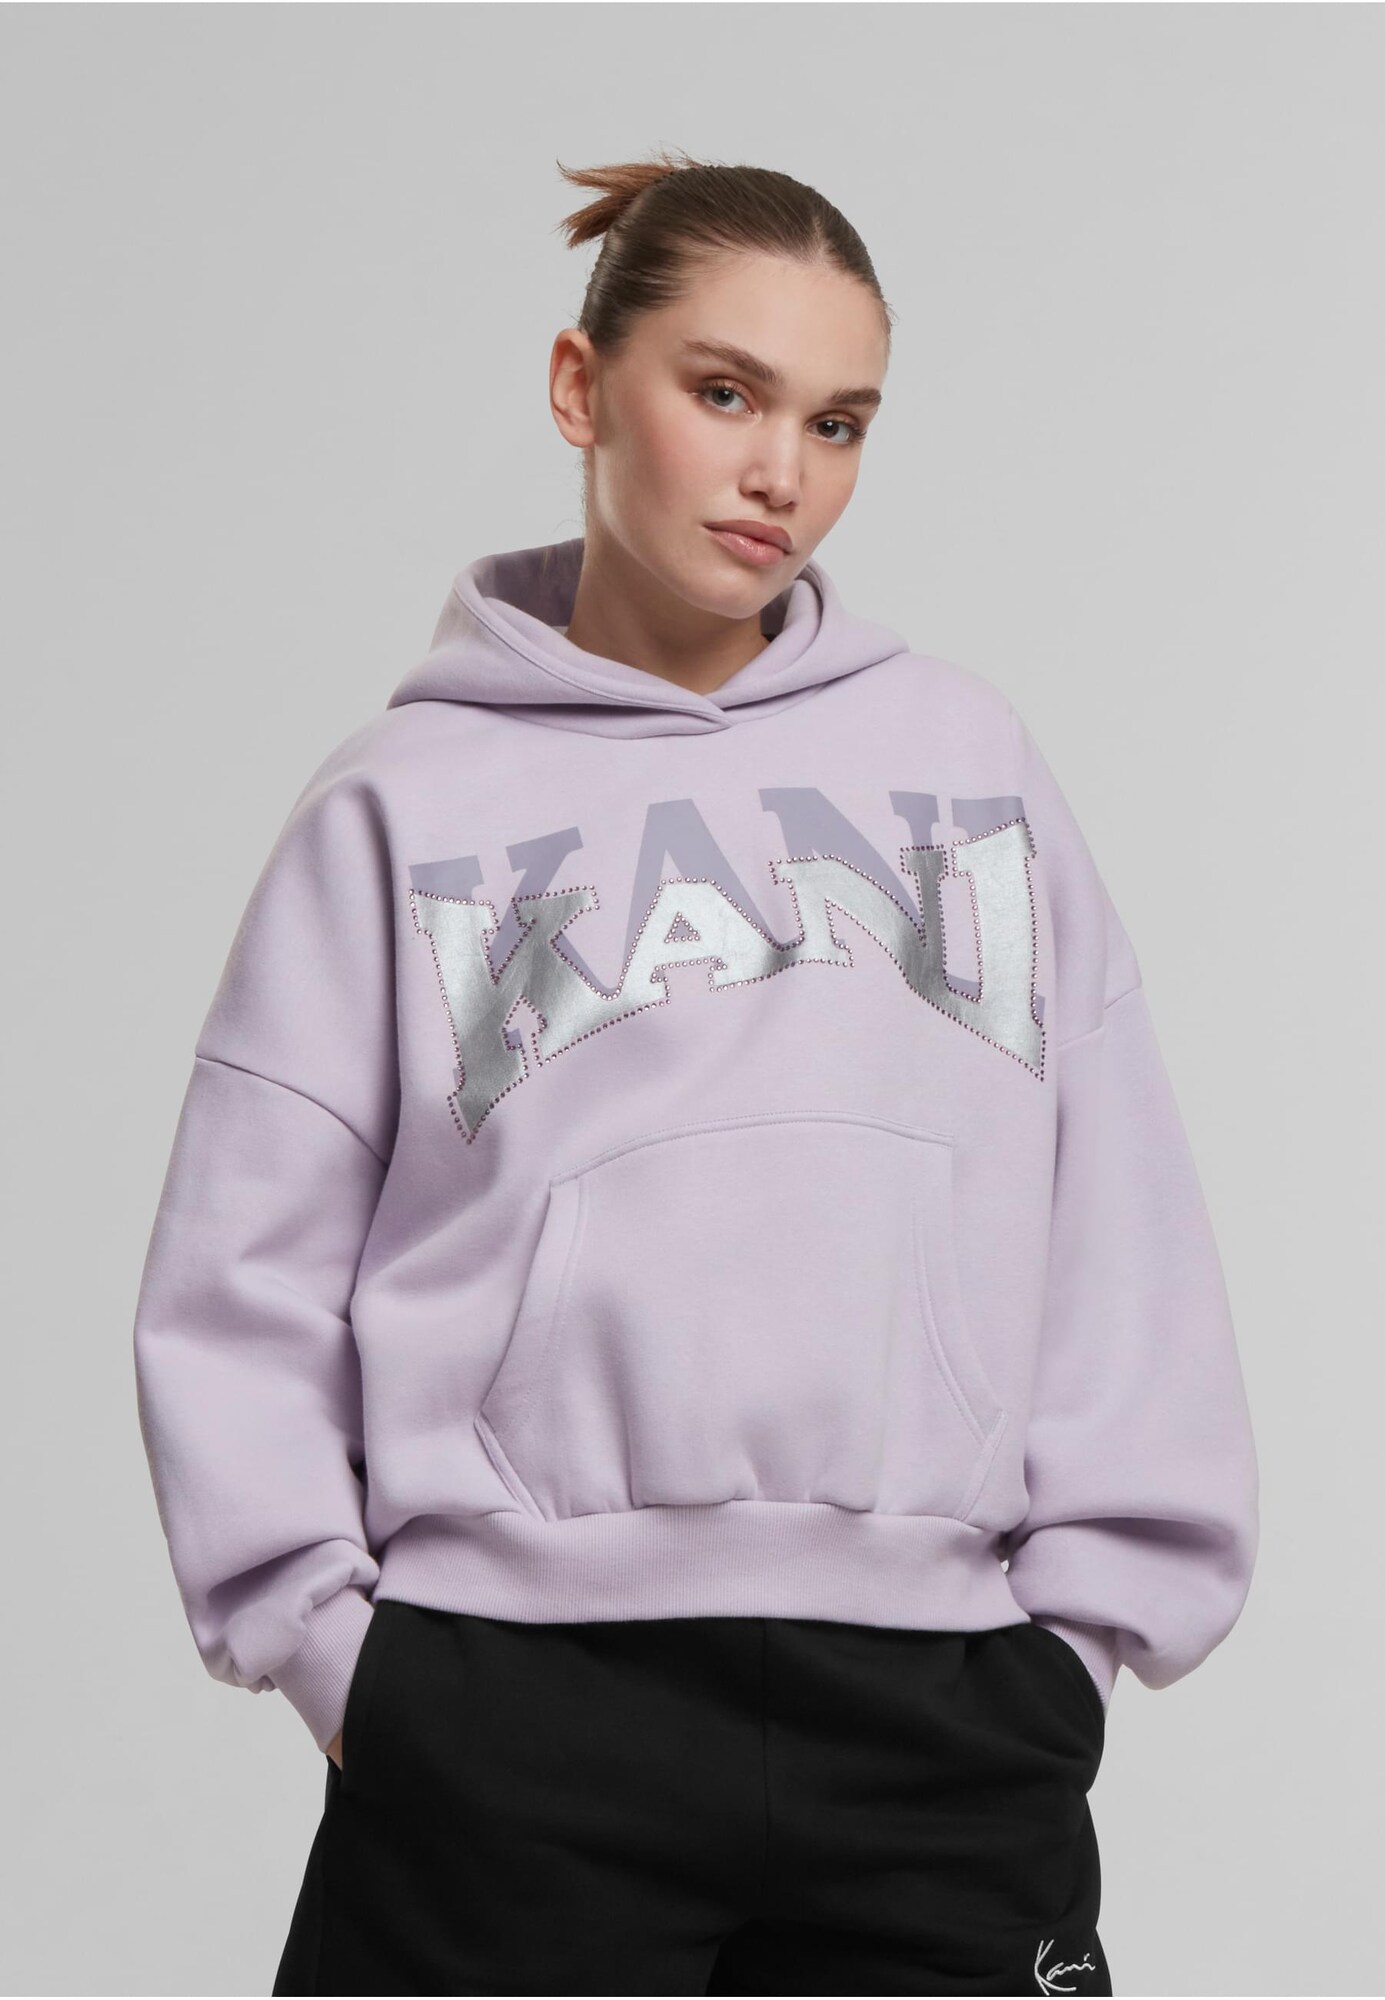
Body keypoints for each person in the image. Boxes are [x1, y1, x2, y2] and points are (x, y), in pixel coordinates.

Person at [132, 149, 1260, 1998]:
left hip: (939, 1719)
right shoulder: (399, 805)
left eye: (836, 422)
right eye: (723, 393)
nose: (778, 473)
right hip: (503, 1709)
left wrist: (1082, 1635)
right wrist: (337, 1658)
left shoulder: (966, 761)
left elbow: (1117, 1210)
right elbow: (236, 1274)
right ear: (581, 386)